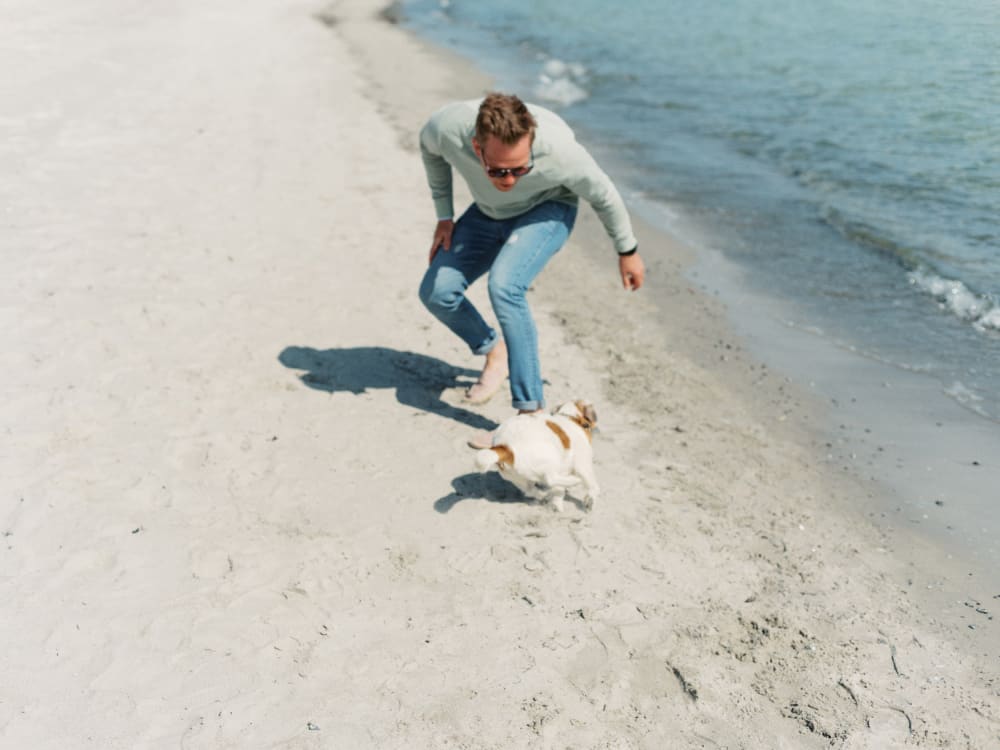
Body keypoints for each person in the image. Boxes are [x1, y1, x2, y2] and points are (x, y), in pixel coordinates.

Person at [417, 92, 645, 447]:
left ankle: (531, 415)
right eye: (498, 170)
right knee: (437, 292)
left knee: (505, 286)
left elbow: (604, 195)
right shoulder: (447, 128)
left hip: (547, 208)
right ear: (477, 149)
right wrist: (444, 215)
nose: (510, 180)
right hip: (488, 213)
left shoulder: (560, 152)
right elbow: (428, 149)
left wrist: (627, 250)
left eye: (520, 169)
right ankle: (495, 351)